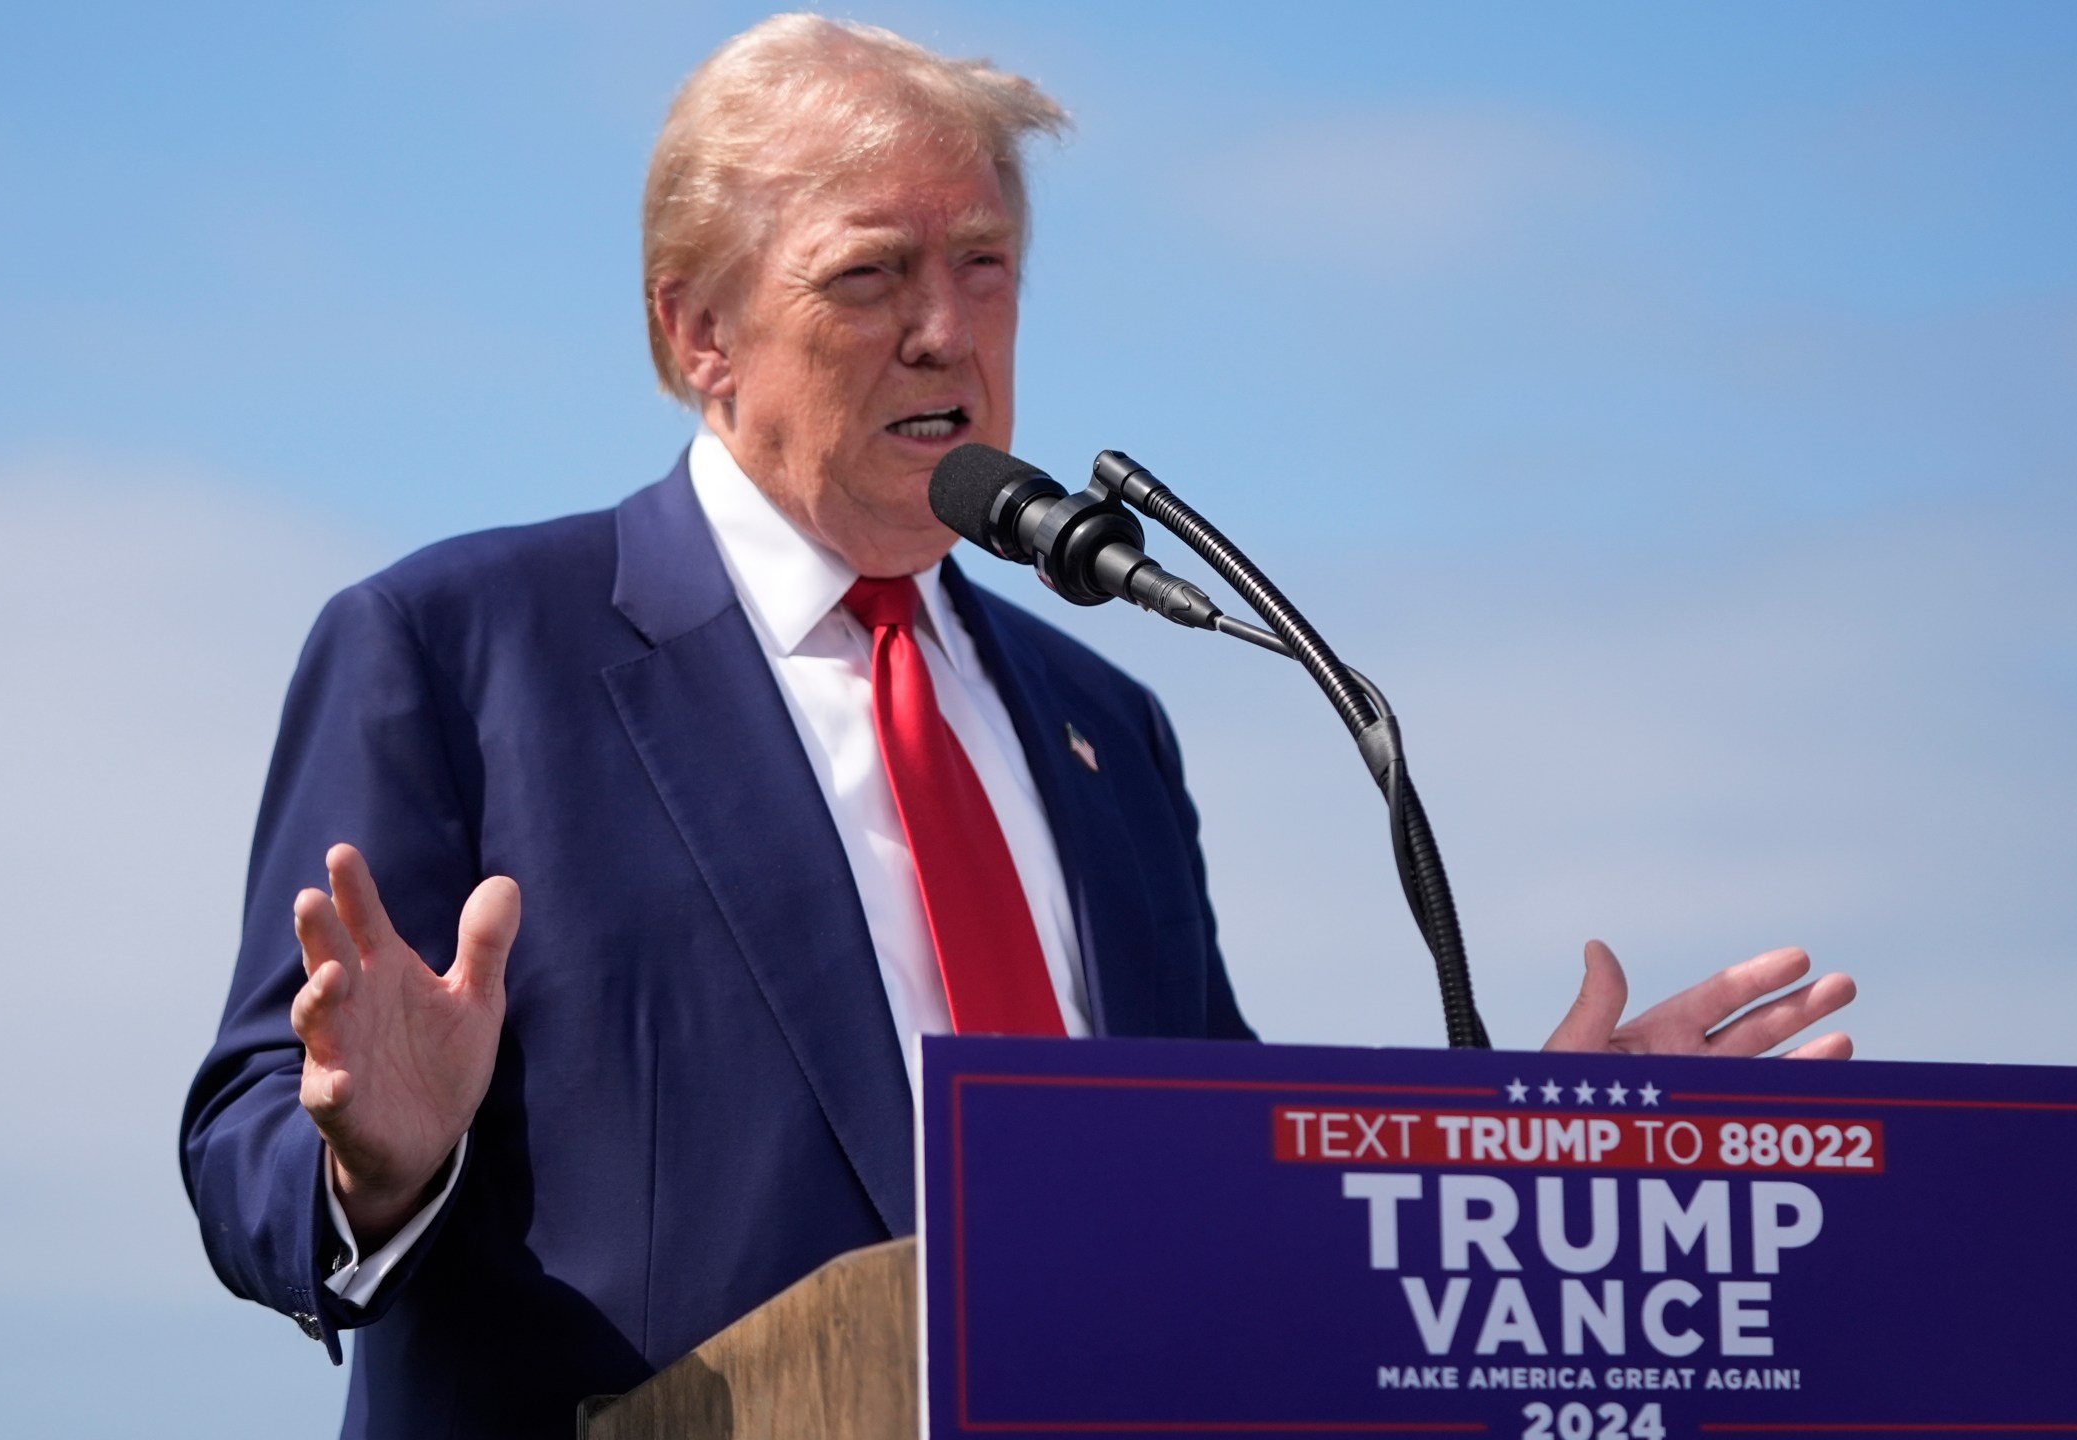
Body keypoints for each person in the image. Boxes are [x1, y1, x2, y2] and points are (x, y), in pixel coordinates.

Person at [180, 15, 1855, 1440]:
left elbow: (1217, 1176)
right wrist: (373, 1166)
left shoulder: (1102, 724)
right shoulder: (457, 652)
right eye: (871, 275)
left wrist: (1495, 1161)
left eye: (986, 267)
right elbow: (256, 1133)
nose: (945, 326)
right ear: (698, 332)